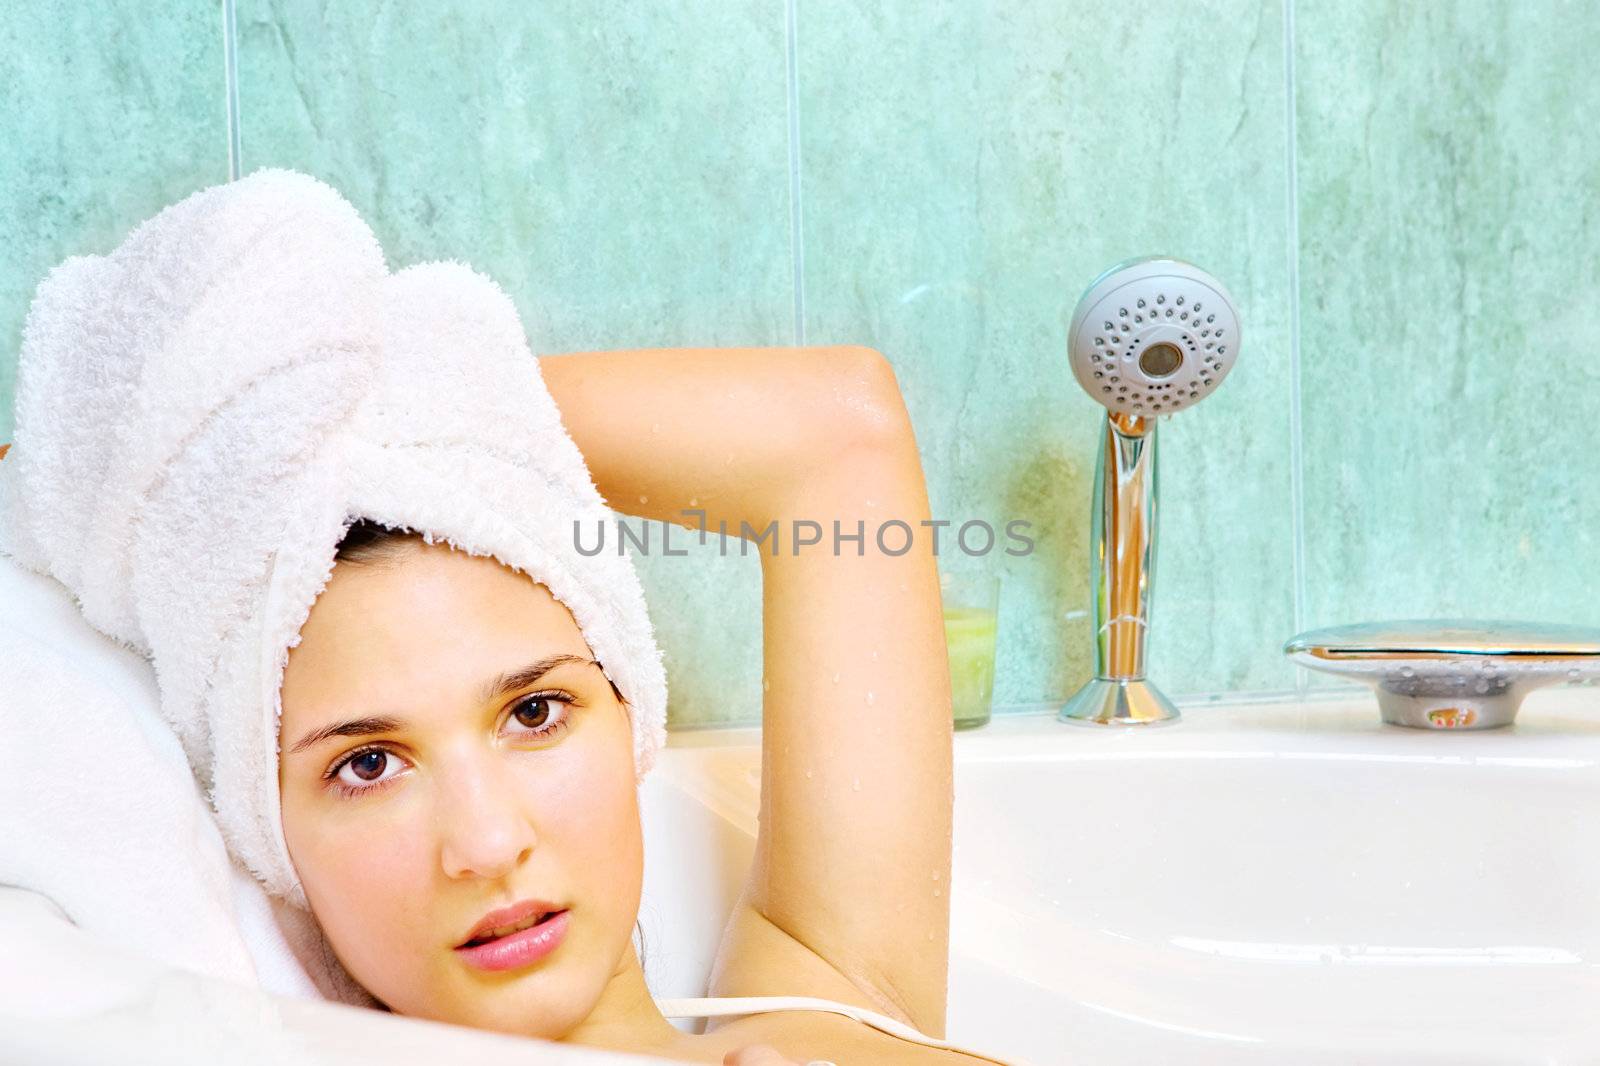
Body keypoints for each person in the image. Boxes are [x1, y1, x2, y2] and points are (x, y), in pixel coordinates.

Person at [0, 170, 1029, 1066]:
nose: (487, 843)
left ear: (630, 710)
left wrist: (387, 425)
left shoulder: (829, 990)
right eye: (366, 764)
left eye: (535, 711)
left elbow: (827, 431)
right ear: (273, 840)